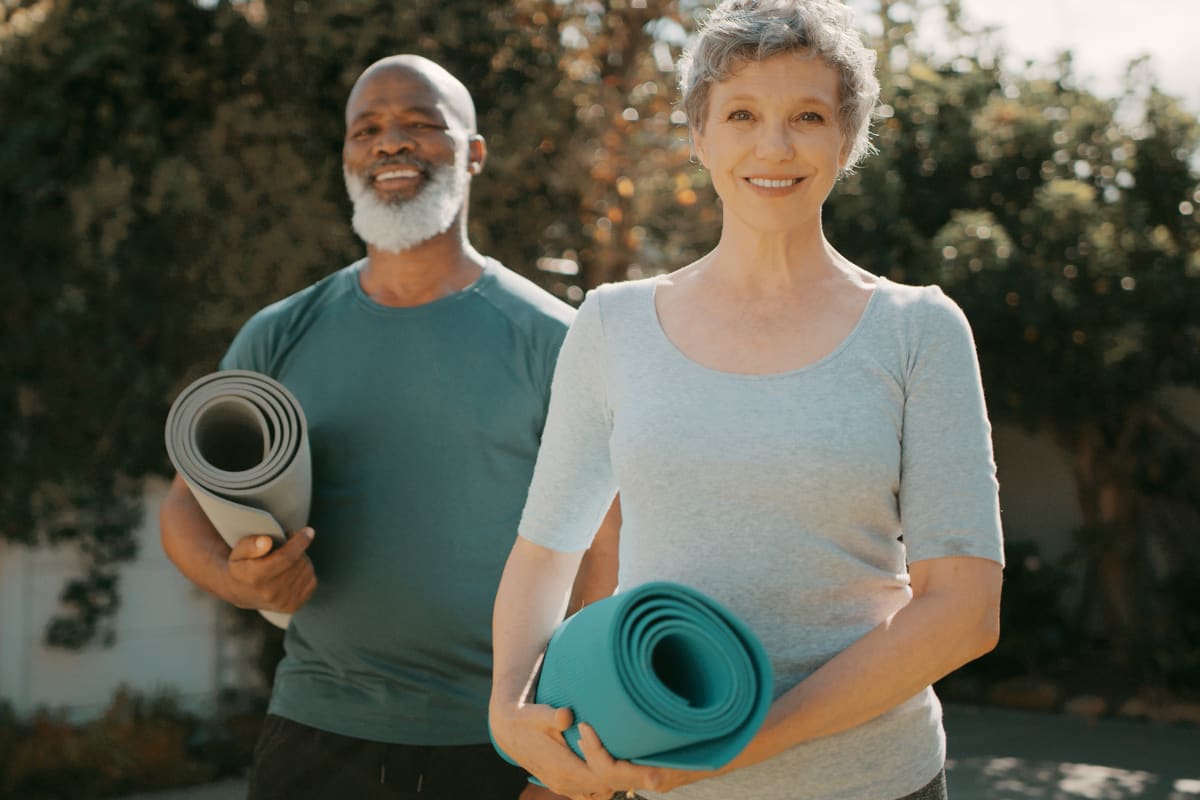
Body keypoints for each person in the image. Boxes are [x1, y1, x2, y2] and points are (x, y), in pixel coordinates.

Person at [488, 1, 1005, 798]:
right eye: (741, 114)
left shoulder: (918, 330)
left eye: (807, 115)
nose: (774, 145)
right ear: (699, 138)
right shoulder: (612, 323)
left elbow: (965, 609)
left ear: (847, 139)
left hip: (876, 783)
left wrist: (741, 743)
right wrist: (508, 709)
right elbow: (547, 549)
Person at [159, 54, 616, 800]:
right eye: (366, 128)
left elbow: (608, 548)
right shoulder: (280, 334)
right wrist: (234, 579)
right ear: (346, 157)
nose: (390, 143)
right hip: (317, 733)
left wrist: (565, 760)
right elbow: (184, 505)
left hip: (504, 741)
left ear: (473, 153)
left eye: (421, 124)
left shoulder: (556, 340)